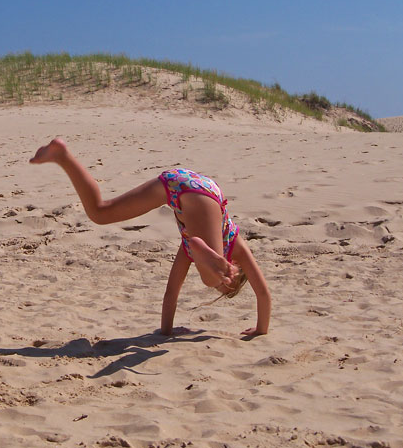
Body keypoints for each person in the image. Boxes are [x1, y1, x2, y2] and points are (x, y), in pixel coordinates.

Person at [30, 138, 271, 337]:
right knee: (211, 273)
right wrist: (261, 330)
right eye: (226, 285)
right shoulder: (233, 246)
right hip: (205, 198)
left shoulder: (189, 248)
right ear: (237, 270)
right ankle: (207, 252)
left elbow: (171, 294)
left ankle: (63, 156)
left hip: (179, 180)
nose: (221, 285)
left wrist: (166, 332)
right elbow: (262, 292)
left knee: (100, 212)